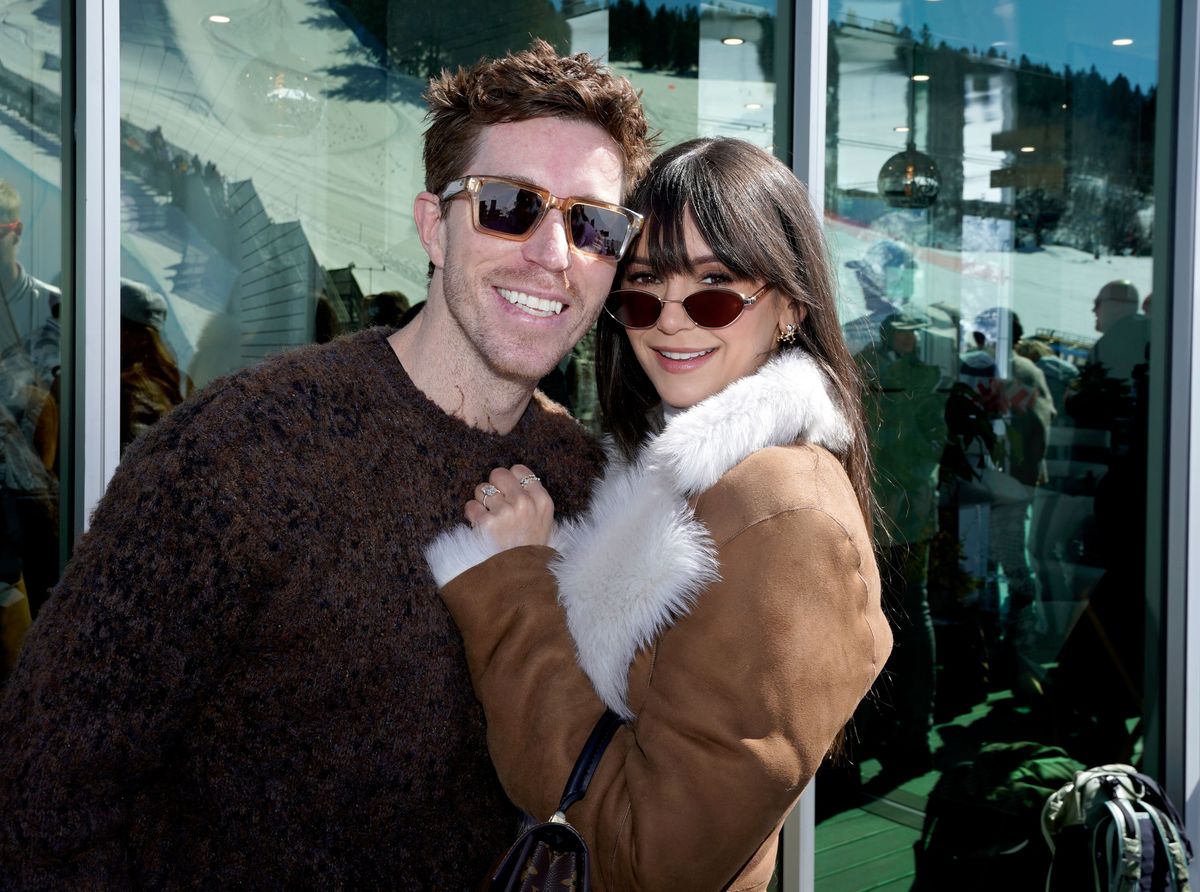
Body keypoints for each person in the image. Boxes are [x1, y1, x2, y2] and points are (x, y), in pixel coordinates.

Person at [0, 42, 652, 887]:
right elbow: (46, 795)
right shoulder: (239, 452)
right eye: (507, 206)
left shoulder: (590, 486)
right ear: (433, 226)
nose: (554, 254)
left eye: (593, 225)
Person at [425, 138, 892, 890]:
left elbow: (652, 861)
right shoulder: (673, 478)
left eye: (714, 289)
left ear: (789, 307)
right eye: (644, 289)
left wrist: (514, 588)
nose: (671, 322)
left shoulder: (781, 513)